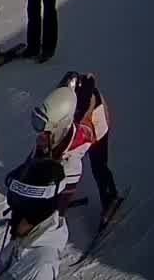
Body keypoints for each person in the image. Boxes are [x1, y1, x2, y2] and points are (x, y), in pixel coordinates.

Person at [32, 71, 122, 220]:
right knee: (55, 150)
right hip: (83, 119)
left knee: (98, 165)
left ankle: (110, 198)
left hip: (97, 127)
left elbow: (78, 121)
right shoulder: (65, 92)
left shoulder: (85, 100)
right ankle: (53, 188)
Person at [0, 156, 69, 280]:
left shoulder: (41, 267)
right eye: (16, 210)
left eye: (25, 212)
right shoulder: (24, 238)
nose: (15, 220)